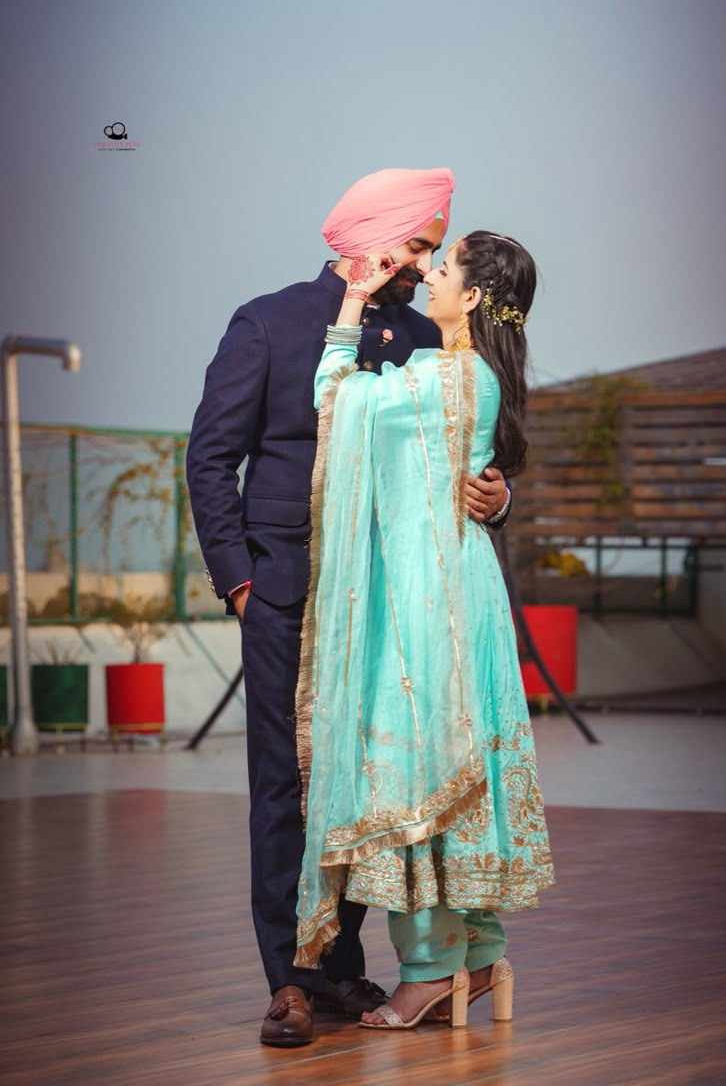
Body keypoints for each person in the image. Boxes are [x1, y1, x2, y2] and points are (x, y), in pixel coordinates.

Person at [185, 169, 513, 1047]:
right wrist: (240, 579)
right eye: (413, 245)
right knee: (286, 782)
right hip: (285, 591)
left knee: (370, 783)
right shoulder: (269, 320)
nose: (420, 263)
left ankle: (341, 968)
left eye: (426, 253)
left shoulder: (421, 331)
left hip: (387, 600)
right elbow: (210, 458)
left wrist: (496, 493)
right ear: (368, 240)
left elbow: (465, 439)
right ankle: (289, 980)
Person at [294, 230, 554, 1031]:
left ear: (472, 297)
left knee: (407, 772)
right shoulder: (481, 376)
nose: (429, 277)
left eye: (442, 270)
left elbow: (334, 398)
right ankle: (479, 955)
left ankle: (430, 970)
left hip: (420, 598)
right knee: (452, 760)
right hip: (460, 588)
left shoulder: (439, 376)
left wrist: (347, 304)